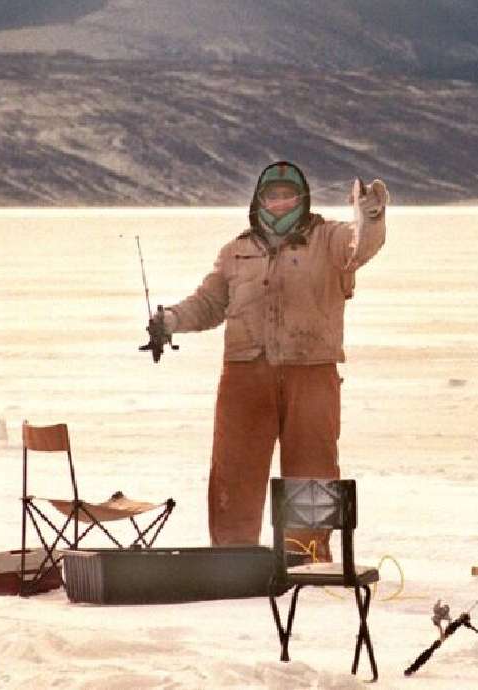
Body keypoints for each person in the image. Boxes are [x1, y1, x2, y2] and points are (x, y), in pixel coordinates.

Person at [147, 160, 388, 559]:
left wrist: (371, 215)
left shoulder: (329, 238)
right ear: (259, 200)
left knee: (312, 468)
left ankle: (306, 555)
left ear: (302, 198)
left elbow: (361, 247)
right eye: (271, 196)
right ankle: (232, 555)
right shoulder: (237, 250)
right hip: (244, 373)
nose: (279, 203)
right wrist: (170, 320)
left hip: (310, 370)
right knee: (234, 467)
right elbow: (209, 303)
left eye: (287, 195)